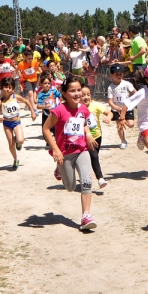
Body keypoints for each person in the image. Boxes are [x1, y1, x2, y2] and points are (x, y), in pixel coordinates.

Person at [42, 78, 99, 231]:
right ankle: (59, 169)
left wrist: (87, 134)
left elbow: (84, 123)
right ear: (65, 94)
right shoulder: (59, 110)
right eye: (72, 91)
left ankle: (86, 215)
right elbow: (46, 129)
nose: (77, 93)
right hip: (64, 153)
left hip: (81, 150)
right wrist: (56, 150)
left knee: (87, 181)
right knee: (70, 186)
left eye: (79, 90)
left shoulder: (83, 109)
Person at [80, 84, 109, 189]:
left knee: (93, 157)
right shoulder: (77, 107)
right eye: (83, 95)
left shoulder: (95, 105)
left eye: (88, 94)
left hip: (97, 136)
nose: (86, 97)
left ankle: (86, 178)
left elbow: (109, 113)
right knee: (93, 156)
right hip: (82, 138)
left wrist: (109, 118)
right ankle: (100, 178)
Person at [0, 78, 23, 169]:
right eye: (5, 87)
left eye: (10, 87)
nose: (7, 89)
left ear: (13, 88)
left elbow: (26, 101)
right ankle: (15, 159)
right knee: (10, 143)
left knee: (21, 140)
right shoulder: (0, 101)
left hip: (16, 122)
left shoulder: (16, 97)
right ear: (1, 88)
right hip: (7, 124)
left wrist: (33, 111)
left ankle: (18, 141)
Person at [106, 64, 136, 148]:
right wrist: (115, 108)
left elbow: (134, 92)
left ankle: (124, 120)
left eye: (121, 74)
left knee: (131, 124)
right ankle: (123, 141)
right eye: (117, 74)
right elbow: (109, 101)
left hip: (127, 108)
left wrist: (138, 97)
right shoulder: (110, 87)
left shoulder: (126, 84)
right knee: (119, 126)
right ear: (111, 75)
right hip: (116, 109)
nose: (119, 76)